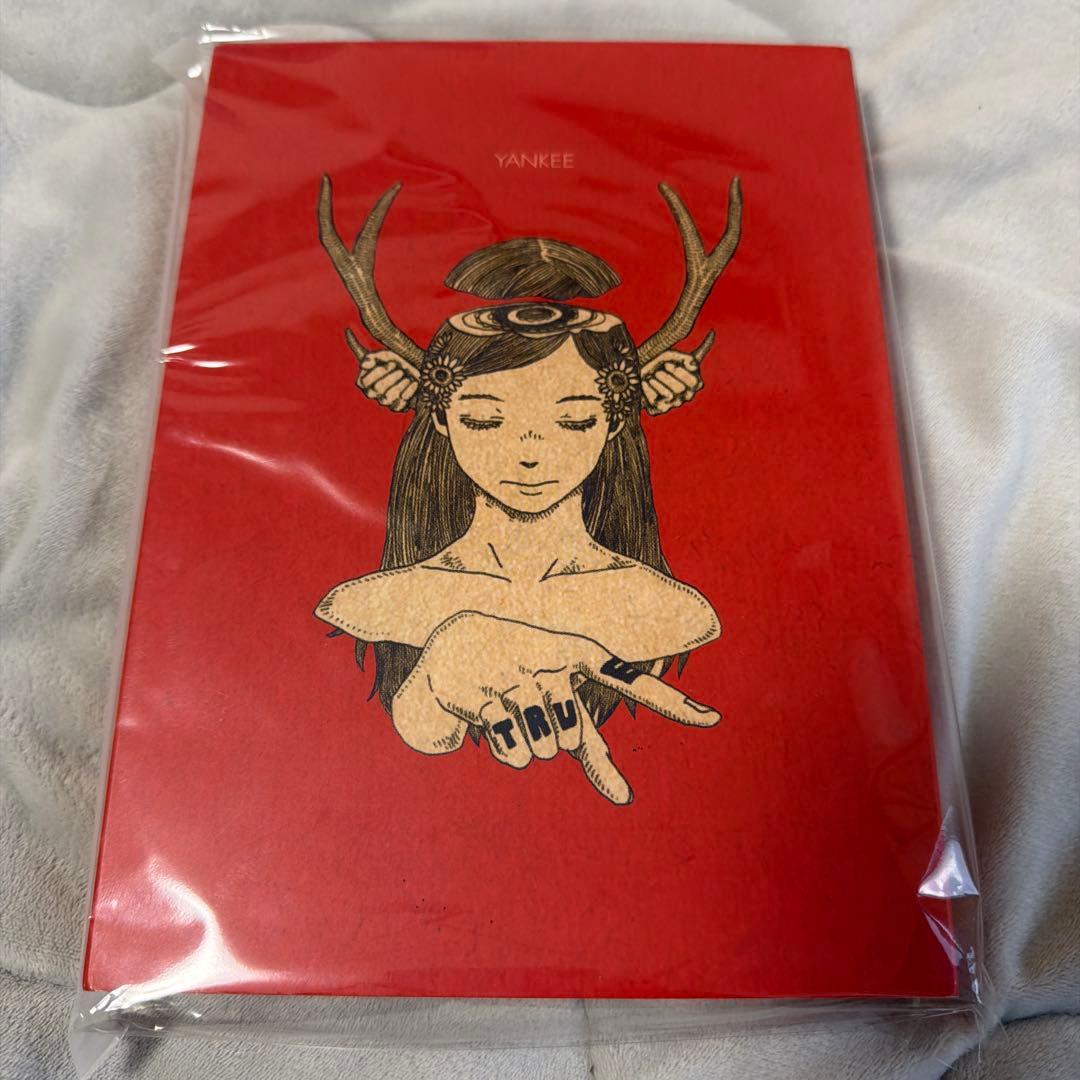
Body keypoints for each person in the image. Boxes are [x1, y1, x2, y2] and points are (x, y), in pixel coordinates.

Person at [314, 177, 742, 803]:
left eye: (574, 421)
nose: (529, 453)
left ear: (615, 421)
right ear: (441, 417)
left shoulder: (673, 613)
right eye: (486, 421)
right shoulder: (369, 606)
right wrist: (433, 686)